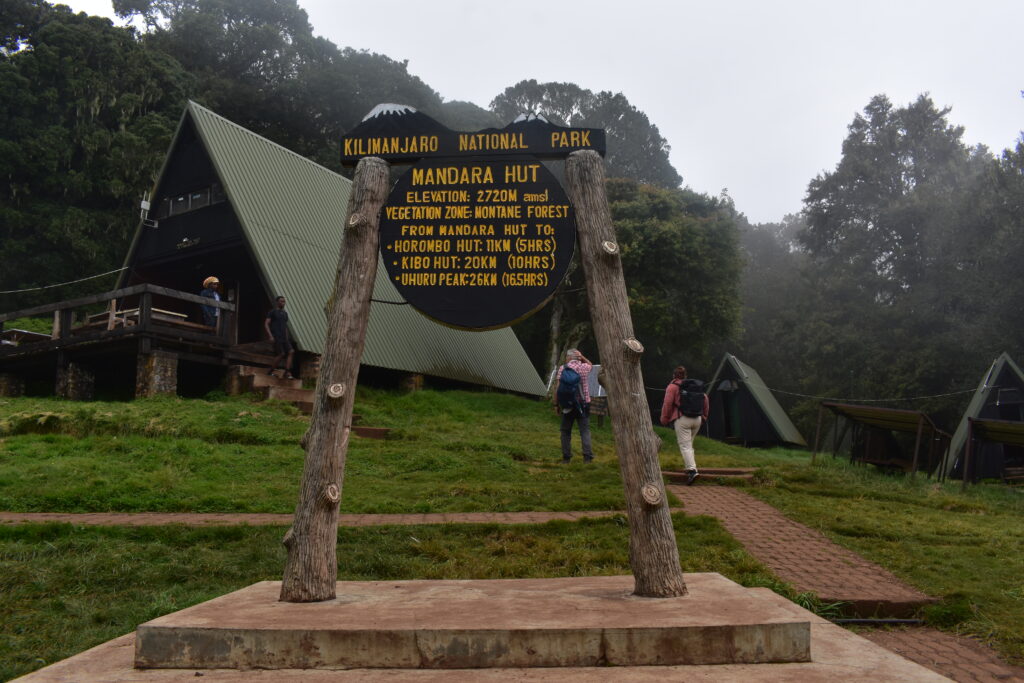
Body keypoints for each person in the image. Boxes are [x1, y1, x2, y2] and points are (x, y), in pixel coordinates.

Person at [660, 366, 709, 485]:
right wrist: (704, 417)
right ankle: (689, 468)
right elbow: (705, 399)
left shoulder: (672, 387)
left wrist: (664, 419)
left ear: (673, 376)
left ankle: (692, 471)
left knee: (685, 446)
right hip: (697, 419)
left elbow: (667, 404)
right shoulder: (694, 386)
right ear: (685, 376)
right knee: (688, 445)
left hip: (682, 419)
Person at [554, 348, 594, 463]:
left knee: (565, 431)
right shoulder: (584, 368)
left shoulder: (563, 368)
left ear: (569, 357)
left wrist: (556, 404)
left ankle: (566, 458)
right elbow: (590, 364)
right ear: (578, 357)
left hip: (568, 405)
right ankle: (587, 458)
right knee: (584, 431)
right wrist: (583, 357)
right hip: (583, 404)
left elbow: (557, 388)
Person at [264, 295, 294, 378]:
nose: (283, 303)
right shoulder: (272, 312)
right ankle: (270, 371)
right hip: (276, 336)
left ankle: (287, 372)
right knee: (281, 354)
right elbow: (266, 324)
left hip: (284, 338)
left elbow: (285, 326)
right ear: (277, 302)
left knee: (291, 351)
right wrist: (270, 336)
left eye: (284, 301)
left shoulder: (285, 314)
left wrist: (287, 337)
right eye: (281, 301)